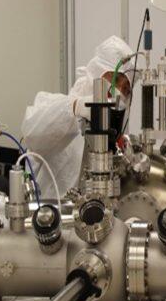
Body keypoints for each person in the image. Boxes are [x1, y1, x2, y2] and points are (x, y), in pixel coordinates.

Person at [21, 35, 136, 200]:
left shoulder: (113, 138)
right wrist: (75, 108)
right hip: (52, 211)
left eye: (125, 89)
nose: (119, 91)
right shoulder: (59, 109)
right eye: (115, 79)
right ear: (96, 72)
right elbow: (31, 133)